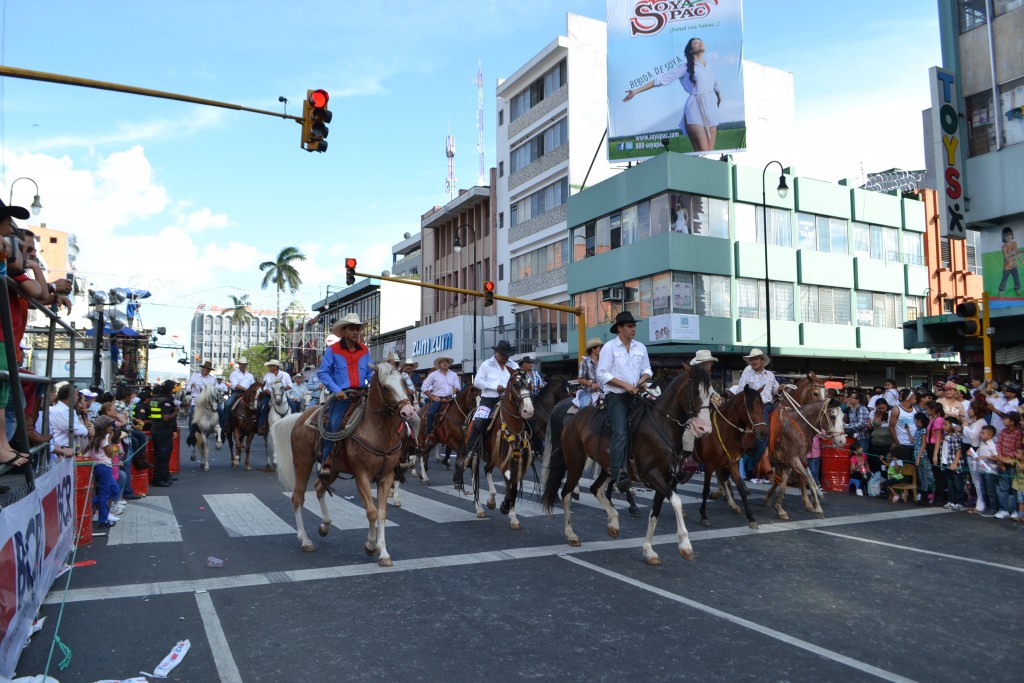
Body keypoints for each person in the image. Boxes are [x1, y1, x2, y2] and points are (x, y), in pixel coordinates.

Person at [622, 37, 722, 152]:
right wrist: (636, 91)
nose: (700, 43)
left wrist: (719, 98)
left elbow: (715, 84)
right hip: (695, 108)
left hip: (711, 109)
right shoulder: (684, 68)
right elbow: (660, 80)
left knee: (710, 150)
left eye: (701, 41)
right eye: (695, 42)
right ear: (690, 50)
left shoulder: (708, 67)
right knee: (703, 151)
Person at [597, 311, 652, 491]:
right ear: (620, 328)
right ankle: (618, 472)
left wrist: (641, 381)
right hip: (616, 396)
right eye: (630, 326)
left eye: (634, 326)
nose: (633, 329)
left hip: (636, 394)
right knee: (620, 431)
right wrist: (626, 385)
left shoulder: (640, 347)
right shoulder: (609, 347)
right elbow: (602, 374)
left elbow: (647, 370)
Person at [317, 315, 373, 480]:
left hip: (362, 393)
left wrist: (373, 383)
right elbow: (323, 373)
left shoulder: (364, 349)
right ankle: (326, 459)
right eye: (352, 329)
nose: (356, 332)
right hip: (343, 395)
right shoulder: (333, 350)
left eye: (358, 329)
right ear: (344, 331)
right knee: (334, 423)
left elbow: (369, 372)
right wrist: (336, 390)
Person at [466, 341, 520, 464]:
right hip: (489, 398)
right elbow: (477, 382)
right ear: (496, 353)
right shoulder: (486, 365)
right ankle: (470, 450)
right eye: (503, 355)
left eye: (507, 355)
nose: (506, 358)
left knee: (526, 416)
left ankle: (528, 447)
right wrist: (495, 387)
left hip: (510, 400)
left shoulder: (514, 365)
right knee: (479, 421)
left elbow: (520, 379)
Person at [737, 348, 778, 482]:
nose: (753, 361)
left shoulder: (770, 375)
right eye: (751, 359)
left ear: (762, 360)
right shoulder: (747, 374)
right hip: (757, 407)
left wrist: (781, 388)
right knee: (763, 431)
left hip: (770, 403)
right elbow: (740, 391)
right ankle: (755, 463)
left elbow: (775, 388)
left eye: (755, 359)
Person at [85, 415, 121, 528]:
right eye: (110, 426)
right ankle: (103, 521)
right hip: (105, 467)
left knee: (115, 490)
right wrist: (110, 440)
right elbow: (110, 454)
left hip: (98, 466)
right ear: (105, 427)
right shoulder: (105, 437)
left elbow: (86, 451)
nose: (112, 428)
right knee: (104, 494)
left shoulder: (93, 437)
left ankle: (92, 503)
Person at [421, 356, 460, 441]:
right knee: (431, 413)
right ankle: (429, 433)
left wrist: (455, 389)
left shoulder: (454, 374)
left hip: (450, 399)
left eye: (446, 362)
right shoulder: (433, 375)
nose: (445, 363)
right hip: (438, 399)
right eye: (443, 362)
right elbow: (424, 387)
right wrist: (432, 397)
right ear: (439, 365)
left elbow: (458, 387)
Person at [148, 380, 179, 487]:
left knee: (162, 454)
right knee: (163, 455)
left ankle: (164, 476)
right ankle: (158, 479)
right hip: (163, 431)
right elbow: (166, 418)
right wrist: (176, 411)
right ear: (169, 390)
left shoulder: (154, 399)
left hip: (155, 429)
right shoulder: (165, 401)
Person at [185, 360, 217, 447]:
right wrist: (191, 387)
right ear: (203, 368)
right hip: (196, 400)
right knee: (191, 413)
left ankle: (221, 431)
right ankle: (191, 433)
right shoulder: (194, 376)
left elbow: (214, 390)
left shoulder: (212, 379)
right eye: (207, 368)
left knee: (220, 410)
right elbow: (187, 387)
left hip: (207, 401)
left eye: (209, 369)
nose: (208, 370)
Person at [257, 359, 292, 435]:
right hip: (270, 396)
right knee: (263, 407)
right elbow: (265, 388)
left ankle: (293, 426)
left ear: (276, 367)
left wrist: (281, 390)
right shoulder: (267, 376)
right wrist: (272, 393)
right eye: (269, 366)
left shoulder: (285, 375)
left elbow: (290, 385)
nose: (269, 367)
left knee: (293, 406)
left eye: (270, 366)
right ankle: (261, 426)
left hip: (283, 396)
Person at [222, 357, 256, 432]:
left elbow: (253, 385)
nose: (242, 365)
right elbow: (235, 385)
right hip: (236, 392)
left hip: (248, 394)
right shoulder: (234, 373)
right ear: (239, 364)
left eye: (244, 364)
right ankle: (226, 423)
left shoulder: (250, 375)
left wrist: (250, 391)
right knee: (227, 404)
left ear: (246, 365)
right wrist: (247, 390)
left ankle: (256, 423)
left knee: (257, 404)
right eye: (241, 364)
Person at [974, 424, 1000, 517]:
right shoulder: (981, 444)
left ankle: (993, 508)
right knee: (983, 490)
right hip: (982, 470)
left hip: (990, 471)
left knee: (991, 491)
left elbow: (997, 458)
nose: (981, 434)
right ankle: (987, 507)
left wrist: (986, 457)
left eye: (983, 433)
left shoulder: (992, 445)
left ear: (990, 435)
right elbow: (977, 455)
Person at [574, 337, 604, 409]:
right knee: (585, 409)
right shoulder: (584, 363)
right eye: (600, 348)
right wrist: (591, 384)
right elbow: (580, 379)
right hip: (587, 393)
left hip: (604, 392)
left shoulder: (604, 362)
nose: (602, 350)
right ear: (593, 349)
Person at [997, 226, 1023, 297]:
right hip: (1007, 267)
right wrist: (1015, 256)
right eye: (1006, 235)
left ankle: (1017, 289)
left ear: (1012, 235)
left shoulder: (1014, 243)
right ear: (1004, 237)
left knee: (1016, 278)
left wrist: (1022, 252)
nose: (1008, 237)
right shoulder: (1004, 247)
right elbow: (1006, 259)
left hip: (1014, 266)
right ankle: (1001, 290)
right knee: (1004, 279)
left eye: (1010, 234)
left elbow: (1017, 251)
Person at [845, 392, 871, 457]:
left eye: (852, 398)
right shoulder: (851, 409)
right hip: (854, 437)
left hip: (862, 438)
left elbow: (861, 424)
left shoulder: (862, 409)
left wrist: (847, 426)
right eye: (850, 397)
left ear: (857, 400)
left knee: (862, 458)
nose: (850, 399)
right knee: (855, 458)